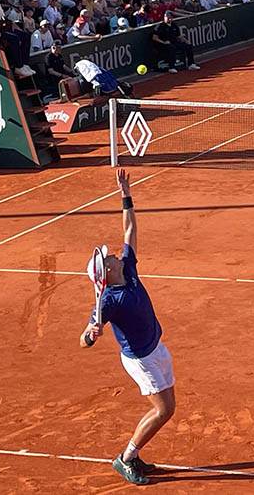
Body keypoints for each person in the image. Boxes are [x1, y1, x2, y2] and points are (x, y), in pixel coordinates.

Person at [80, 169, 175, 488]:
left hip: (157, 348)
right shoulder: (107, 301)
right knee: (162, 411)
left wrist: (125, 192)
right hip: (140, 359)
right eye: (110, 258)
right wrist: (91, 335)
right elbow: (85, 339)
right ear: (107, 271)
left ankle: (133, 454)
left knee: (169, 408)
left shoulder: (129, 268)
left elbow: (130, 227)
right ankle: (126, 457)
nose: (115, 255)